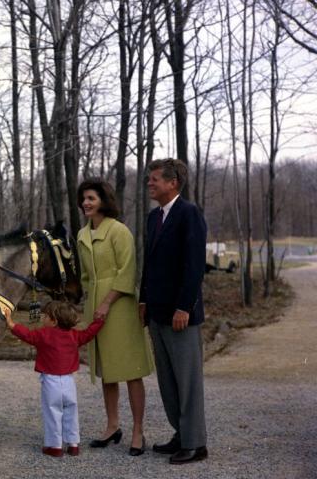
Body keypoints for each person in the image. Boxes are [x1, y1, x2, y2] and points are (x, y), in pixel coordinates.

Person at [76, 178, 154, 457]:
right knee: (107, 370)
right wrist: (91, 304)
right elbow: (86, 277)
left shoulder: (119, 231)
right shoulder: (82, 235)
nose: (86, 203)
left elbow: (128, 272)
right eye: (84, 198)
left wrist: (107, 302)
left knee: (130, 370)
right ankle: (112, 426)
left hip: (119, 305)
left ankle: (137, 431)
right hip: (95, 305)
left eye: (91, 198)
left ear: (103, 201)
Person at [139, 158, 208, 465]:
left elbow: (193, 266)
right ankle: (181, 435)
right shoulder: (154, 217)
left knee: (187, 380)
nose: (149, 183)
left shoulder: (188, 214)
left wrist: (185, 307)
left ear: (172, 183)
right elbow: (149, 264)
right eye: (149, 179)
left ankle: (196, 444)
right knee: (168, 381)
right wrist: (143, 301)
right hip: (156, 312)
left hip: (181, 315)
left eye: (155, 179)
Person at [5, 302, 104, 458]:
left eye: (46, 316)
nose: (43, 318)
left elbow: (27, 335)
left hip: (51, 380)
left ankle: (54, 446)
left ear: (54, 320)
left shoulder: (43, 334)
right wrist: (99, 322)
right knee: (71, 411)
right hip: (69, 381)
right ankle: (73, 444)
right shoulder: (74, 335)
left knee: (52, 412)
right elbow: (89, 333)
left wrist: (11, 324)